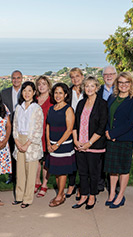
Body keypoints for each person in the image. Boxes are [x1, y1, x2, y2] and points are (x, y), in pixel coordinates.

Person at [104, 72, 133, 209]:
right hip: (111, 138)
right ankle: (112, 194)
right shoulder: (112, 98)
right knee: (112, 169)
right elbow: (108, 117)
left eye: (126, 82)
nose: (123, 85)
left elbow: (131, 122)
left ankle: (120, 196)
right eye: (121, 82)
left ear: (130, 84)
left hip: (124, 139)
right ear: (117, 84)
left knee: (123, 168)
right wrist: (108, 132)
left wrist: (114, 134)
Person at [71, 76, 108, 210]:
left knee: (93, 173)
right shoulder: (81, 103)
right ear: (83, 88)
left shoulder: (102, 104)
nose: (89, 88)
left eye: (92, 86)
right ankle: (84, 195)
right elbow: (75, 123)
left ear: (97, 88)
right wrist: (76, 140)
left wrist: (89, 143)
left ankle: (92, 196)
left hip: (94, 145)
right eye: (87, 86)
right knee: (82, 172)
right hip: (80, 144)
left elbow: (102, 126)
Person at [12, 81, 43, 208]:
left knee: (30, 172)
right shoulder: (18, 107)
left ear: (34, 92)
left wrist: (27, 144)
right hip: (19, 140)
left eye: (30, 90)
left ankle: (27, 199)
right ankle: (19, 196)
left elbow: (38, 129)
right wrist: (18, 142)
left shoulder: (37, 108)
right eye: (24, 90)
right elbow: (15, 126)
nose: (27, 93)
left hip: (31, 142)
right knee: (20, 171)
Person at [46, 82, 76, 207]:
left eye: (60, 93)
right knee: (57, 171)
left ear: (65, 95)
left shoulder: (68, 109)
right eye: (56, 92)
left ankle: (60, 195)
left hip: (63, 145)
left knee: (62, 172)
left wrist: (57, 144)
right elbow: (48, 125)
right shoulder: (51, 108)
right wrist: (48, 142)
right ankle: (61, 193)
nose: (57, 95)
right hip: (52, 144)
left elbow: (69, 130)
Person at [96, 65, 118, 192]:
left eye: (111, 74)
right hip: (99, 129)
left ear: (115, 75)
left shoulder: (120, 91)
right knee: (99, 158)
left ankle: (112, 186)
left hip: (113, 130)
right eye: (106, 74)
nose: (109, 76)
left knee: (112, 158)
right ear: (103, 77)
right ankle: (99, 183)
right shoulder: (98, 91)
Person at [2, 70, 23, 185]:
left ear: (22, 79)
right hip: (8, 127)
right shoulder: (4, 93)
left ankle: (21, 175)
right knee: (10, 152)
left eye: (18, 78)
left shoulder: (26, 91)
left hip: (22, 128)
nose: (16, 80)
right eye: (14, 78)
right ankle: (12, 176)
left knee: (20, 152)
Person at [66, 67, 84, 200]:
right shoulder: (68, 92)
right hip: (70, 128)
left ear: (82, 77)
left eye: (77, 76)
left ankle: (82, 187)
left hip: (85, 129)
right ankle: (71, 184)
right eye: (72, 77)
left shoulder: (88, 90)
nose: (75, 79)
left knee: (83, 160)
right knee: (72, 159)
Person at [34, 76, 53, 198]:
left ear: (48, 86)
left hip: (48, 133)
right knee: (36, 159)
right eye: (39, 84)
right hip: (36, 134)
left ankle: (45, 183)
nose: (41, 86)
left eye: (44, 84)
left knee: (47, 160)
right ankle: (37, 181)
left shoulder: (52, 100)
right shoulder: (34, 99)